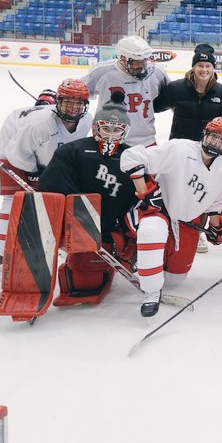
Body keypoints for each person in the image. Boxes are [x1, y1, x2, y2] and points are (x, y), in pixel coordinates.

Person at [121, 117, 222, 316]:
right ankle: (151, 292)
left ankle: (154, 260)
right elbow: (131, 156)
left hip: (187, 222)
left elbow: (215, 205)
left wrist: (217, 229)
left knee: (175, 279)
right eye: (214, 136)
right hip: (159, 211)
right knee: (151, 231)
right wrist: (146, 193)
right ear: (205, 134)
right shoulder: (179, 149)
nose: (216, 142)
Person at [38, 89, 143, 306]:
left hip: (111, 229)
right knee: (83, 277)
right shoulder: (71, 151)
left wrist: (128, 235)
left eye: (117, 129)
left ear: (125, 131)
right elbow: (52, 185)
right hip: (79, 229)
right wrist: (75, 220)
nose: (111, 134)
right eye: (106, 128)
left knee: (92, 273)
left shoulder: (133, 157)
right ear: (96, 127)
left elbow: (141, 197)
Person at [0, 89, 56, 274]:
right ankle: (12, 255)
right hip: (10, 158)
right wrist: (35, 172)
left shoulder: (20, 111)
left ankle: (2, 257)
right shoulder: (46, 119)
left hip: (2, 156)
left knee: (11, 204)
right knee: (24, 203)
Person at [81, 35, 169, 147]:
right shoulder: (102, 72)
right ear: (122, 59)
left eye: (144, 61)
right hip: (108, 137)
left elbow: (173, 98)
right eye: (136, 62)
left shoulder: (157, 73)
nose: (142, 66)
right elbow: (78, 94)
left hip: (145, 140)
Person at [154, 43, 222, 141]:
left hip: (207, 149)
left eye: (208, 66)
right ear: (193, 67)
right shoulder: (176, 88)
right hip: (179, 147)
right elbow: (155, 107)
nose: (204, 69)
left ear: (213, 68)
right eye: (200, 65)